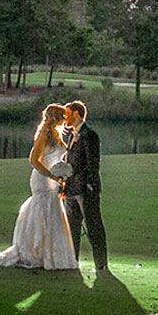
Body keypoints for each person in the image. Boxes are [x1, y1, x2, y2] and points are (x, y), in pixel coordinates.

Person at [0, 104, 78, 270]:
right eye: (62, 116)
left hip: (54, 179)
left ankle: (49, 253)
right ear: (56, 117)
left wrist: (61, 172)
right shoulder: (43, 135)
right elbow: (34, 160)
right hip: (42, 178)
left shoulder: (57, 134)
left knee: (53, 211)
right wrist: (51, 175)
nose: (65, 119)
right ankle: (34, 252)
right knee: (42, 209)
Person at [60, 99, 107, 273]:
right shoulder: (72, 135)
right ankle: (73, 262)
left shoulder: (90, 135)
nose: (65, 118)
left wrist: (90, 185)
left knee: (94, 226)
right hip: (71, 188)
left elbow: (93, 163)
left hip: (85, 190)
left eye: (67, 114)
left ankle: (101, 265)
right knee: (72, 228)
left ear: (77, 114)